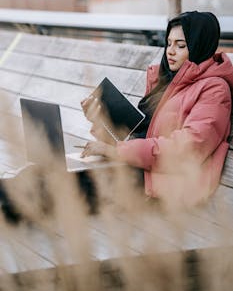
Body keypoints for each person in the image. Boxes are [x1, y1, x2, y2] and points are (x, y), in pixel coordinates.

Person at [80, 11, 233, 206]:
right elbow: (136, 137)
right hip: (138, 168)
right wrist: (99, 118)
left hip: (162, 183)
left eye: (181, 45)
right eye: (168, 43)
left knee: (62, 187)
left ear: (200, 45)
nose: (170, 51)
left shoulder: (214, 89)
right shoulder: (167, 80)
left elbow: (188, 150)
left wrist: (116, 152)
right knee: (55, 171)